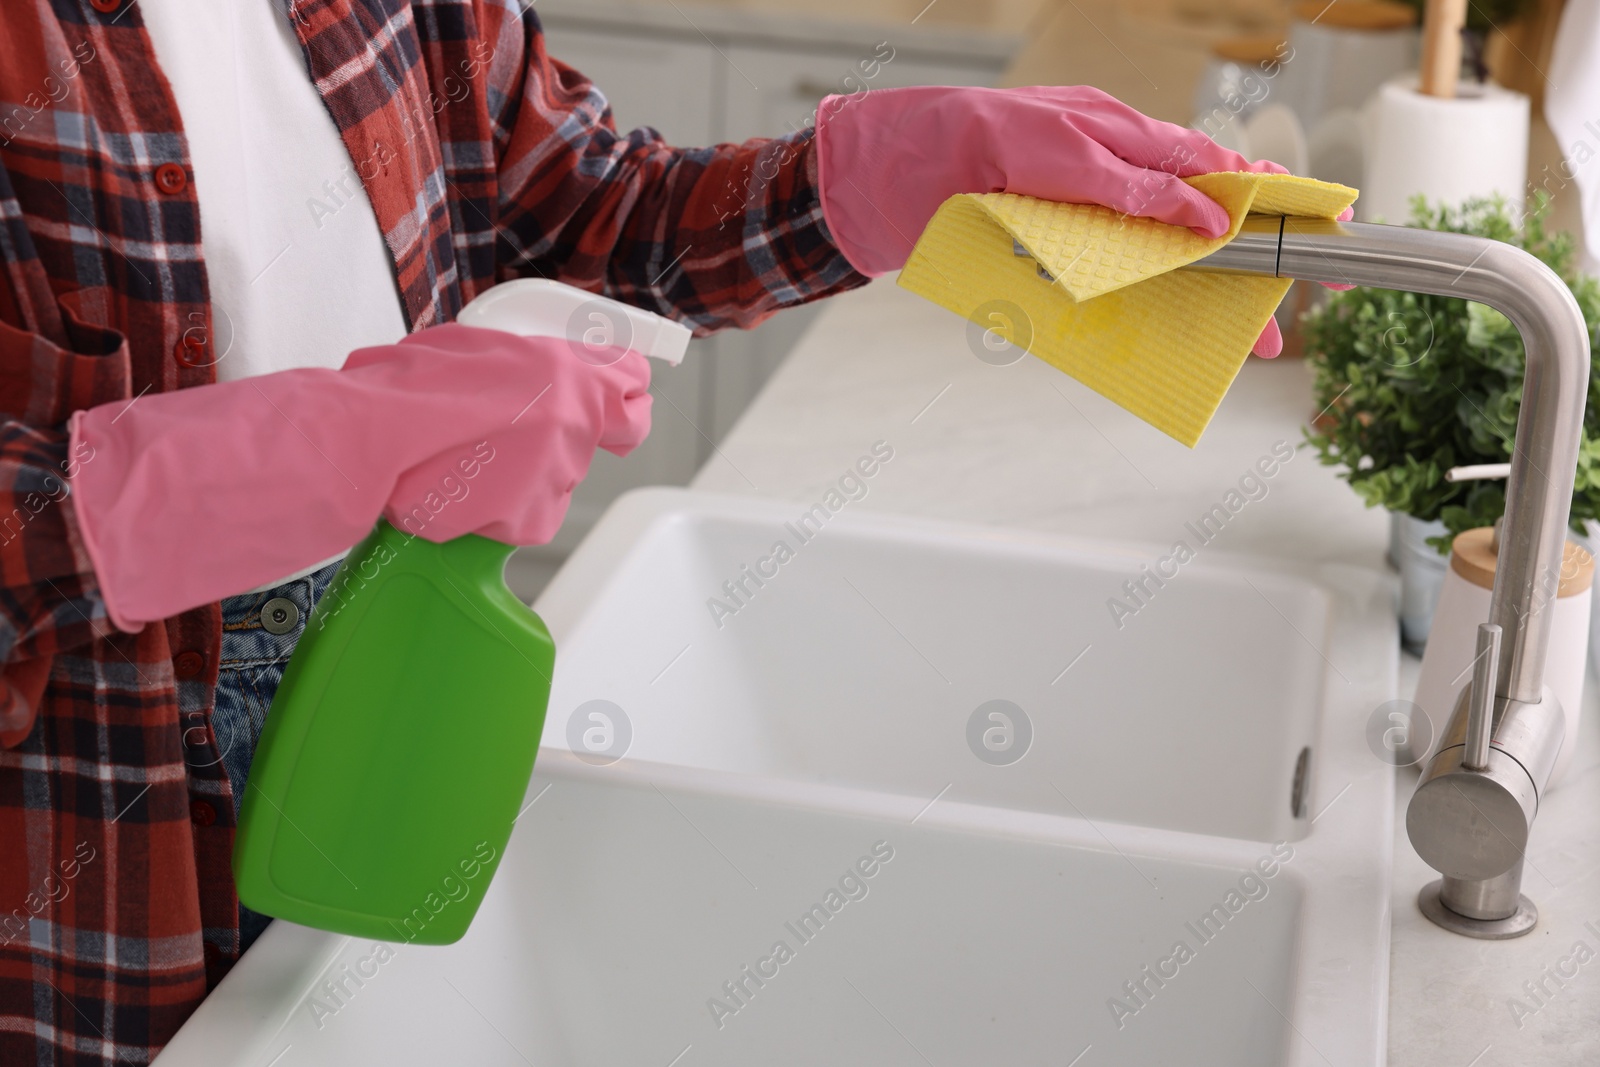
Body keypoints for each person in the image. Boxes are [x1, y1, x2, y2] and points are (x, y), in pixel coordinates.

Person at [0, 1, 1288, 1061]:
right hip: (89, 832)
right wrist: (240, 471)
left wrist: (881, 177)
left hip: (383, 701)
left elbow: (590, 210)